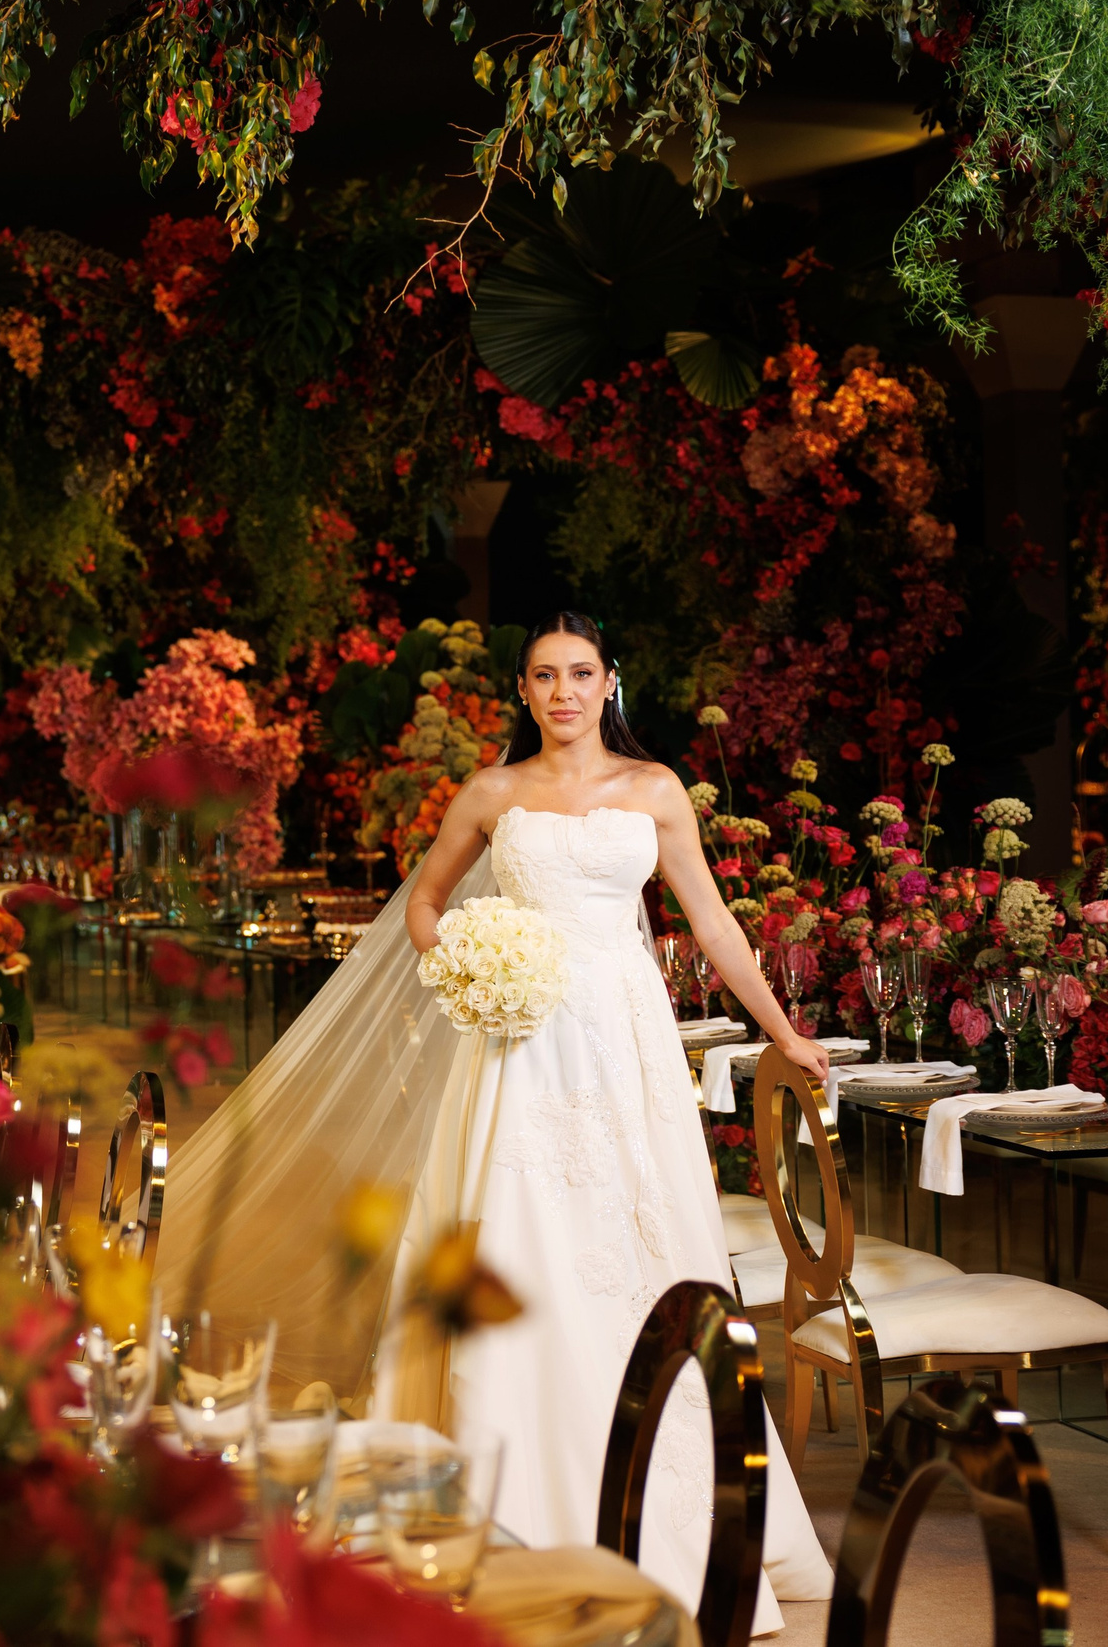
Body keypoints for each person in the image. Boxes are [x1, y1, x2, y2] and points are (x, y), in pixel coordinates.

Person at [151, 609, 831, 1636]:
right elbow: (423, 905)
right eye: (544, 676)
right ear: (521, 692)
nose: (562, 691)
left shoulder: (653, 794)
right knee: (522, 1248)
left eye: (580, 673)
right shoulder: (491, 793)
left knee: (648, 1251)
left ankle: (674, 1506)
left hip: (624, 1050)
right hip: (517, 1049)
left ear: (610, 683)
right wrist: (467, 967)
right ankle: (506, 1508)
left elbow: (712, 921)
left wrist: (781, 1031)